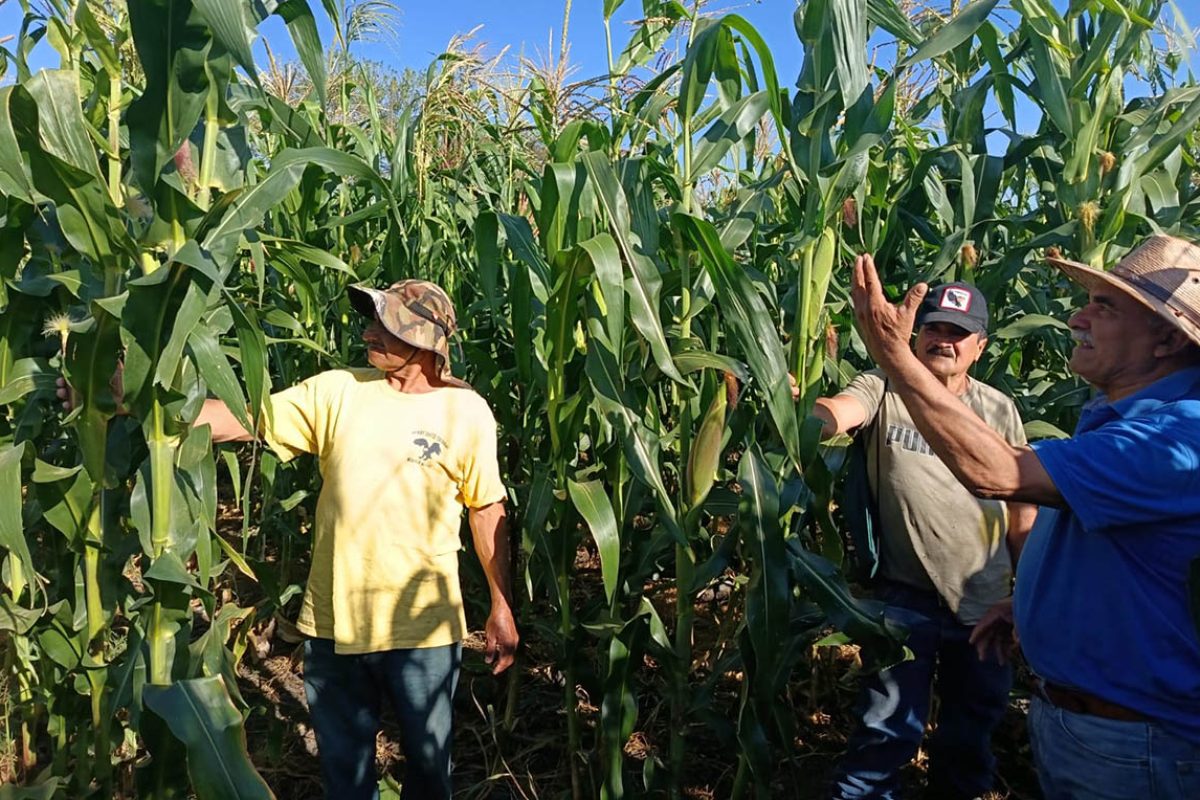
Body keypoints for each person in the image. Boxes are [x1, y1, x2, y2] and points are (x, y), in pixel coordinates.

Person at [63, 280, 518, 800]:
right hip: (334, 625)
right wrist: (124, 398)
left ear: (423, 340)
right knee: (345, 781)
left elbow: (487, 509)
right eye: (372, 320)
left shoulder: (466, 412)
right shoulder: (339, 391)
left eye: (386, 325)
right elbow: (239, 419)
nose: (368, 332)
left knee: (430, 774)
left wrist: (501, 605)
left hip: (424, 630)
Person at [849, 235, 1200, 800]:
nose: (1077, 317)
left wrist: (895, 355)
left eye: (1105, 307)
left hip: (1135, 749)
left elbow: (997, 473)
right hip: (1096, 732)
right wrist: (1032, 604)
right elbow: (1127, 557)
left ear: (1166, 339)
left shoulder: (1176, 438)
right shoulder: (1125, 422)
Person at [807, 282, 1037, 800]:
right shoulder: (884, 386)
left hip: (984, 605)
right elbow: (838, 413)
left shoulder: (998, 409)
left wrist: (1024, 592)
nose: (944, 340)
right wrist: (800, 410)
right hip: (902, 599)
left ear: (980, 346)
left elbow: (1021, 505)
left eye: (959, 333)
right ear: (914, 335)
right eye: (934, 328)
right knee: (883, 735)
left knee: (969, 738)